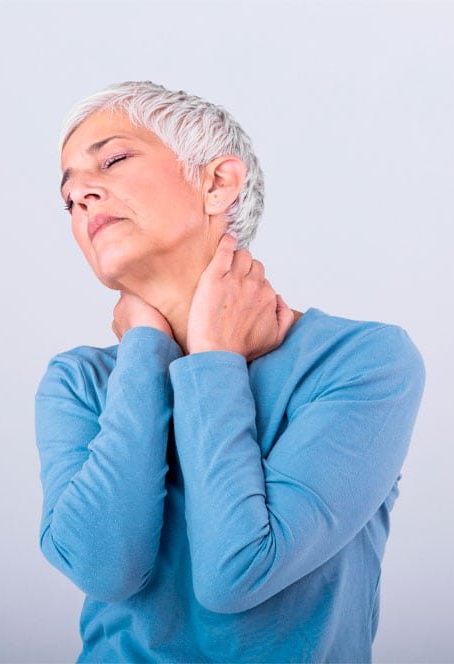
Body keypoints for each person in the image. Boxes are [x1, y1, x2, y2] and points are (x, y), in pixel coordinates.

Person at [35, 80, 426, 663]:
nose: (81, 195)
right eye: (68, 199)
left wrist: (212, 357)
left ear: (217, 182)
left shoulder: (363, 361)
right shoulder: (78, 382)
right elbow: (103, 567)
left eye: (112, 160)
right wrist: (145, 349)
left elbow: (238, 571)